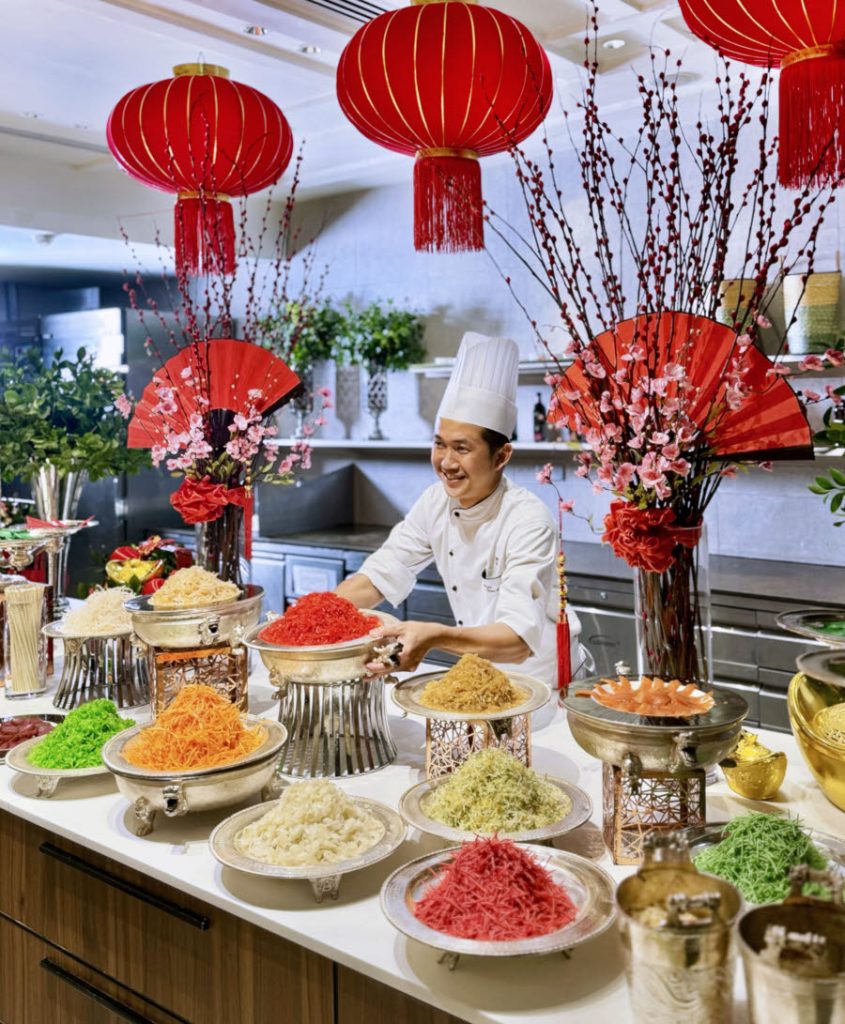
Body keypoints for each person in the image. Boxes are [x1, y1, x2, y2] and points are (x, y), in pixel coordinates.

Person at [335, 331, 583, 683]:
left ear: (501, 456)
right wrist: (316, 612)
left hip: (539, 687)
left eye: (462, 449)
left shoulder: (528, 521)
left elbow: (517, 641)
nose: (446, 462)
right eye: (439, 445)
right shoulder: (436, 501)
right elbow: (382, 572)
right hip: (480, 676)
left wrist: (434, 635)